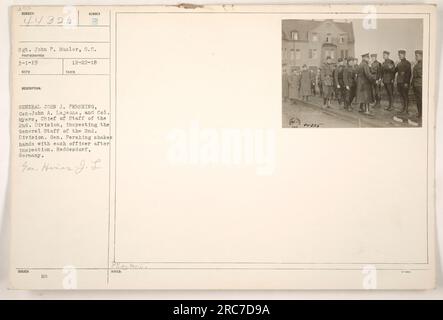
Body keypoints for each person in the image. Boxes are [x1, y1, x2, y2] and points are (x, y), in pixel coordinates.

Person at [395, 49, 412, 114]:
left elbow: (408, 74)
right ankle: (403, 109)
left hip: (404, 82)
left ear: (404, 55)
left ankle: (406, 109)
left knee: (405, 95)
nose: (400, 56)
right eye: (399, 55)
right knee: (402, 95)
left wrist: (406, 82)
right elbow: (394, 70)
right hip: (399, 82)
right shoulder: (399, 63)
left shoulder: (407, 63)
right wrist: (390, 68)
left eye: (401, 55)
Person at [412, 49, 423, 120]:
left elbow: (421, 74)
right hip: (416, 85)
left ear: (421, 56)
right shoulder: (417, 64)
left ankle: (421, 114)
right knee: (418, 100)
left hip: (419, 84)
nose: (416, 57)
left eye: (417, 56)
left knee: (420, 100)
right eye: (415, 56)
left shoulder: (422, 64)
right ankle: (420, 113)